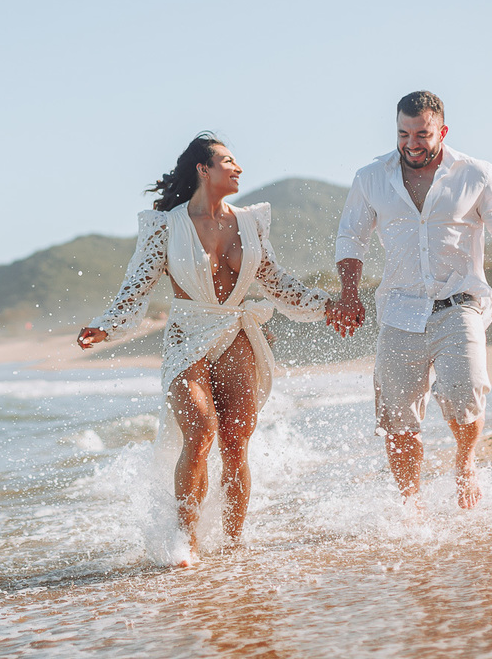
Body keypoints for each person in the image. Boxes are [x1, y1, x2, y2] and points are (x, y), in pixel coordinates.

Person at [78, 133, 355, 564]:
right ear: (203, 170)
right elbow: (137, 286)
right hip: (187, 336)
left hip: (235, 333)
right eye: (228, 161)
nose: (238, 167)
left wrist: (329, 307)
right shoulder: (165, 226)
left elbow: (277, 283)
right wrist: (106, 326)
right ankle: (184, 542)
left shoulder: (251, 222)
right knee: (201, 431)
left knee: (234, 443)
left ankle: (231, 544)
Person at [334, 91, 492, 510]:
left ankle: (465, 464)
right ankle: (412, 507)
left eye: (422, 134)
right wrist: (348, 294)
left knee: (465, 396)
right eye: (403, 133)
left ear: (441, 131)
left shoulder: (475, 174)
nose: (412, 143)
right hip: (398, 310)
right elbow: (351, 236)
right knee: (398, 419)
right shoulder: (371, 177)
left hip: (459, 303)